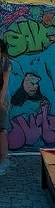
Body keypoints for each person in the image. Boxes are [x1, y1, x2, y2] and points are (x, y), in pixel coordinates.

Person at [0, 38, 11, 176]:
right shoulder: (5, 61)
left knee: (1, 130)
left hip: (2, 99)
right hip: (2, 98)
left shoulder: (4, 62)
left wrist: (1, 101)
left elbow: (5, 83)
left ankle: (4, 159)